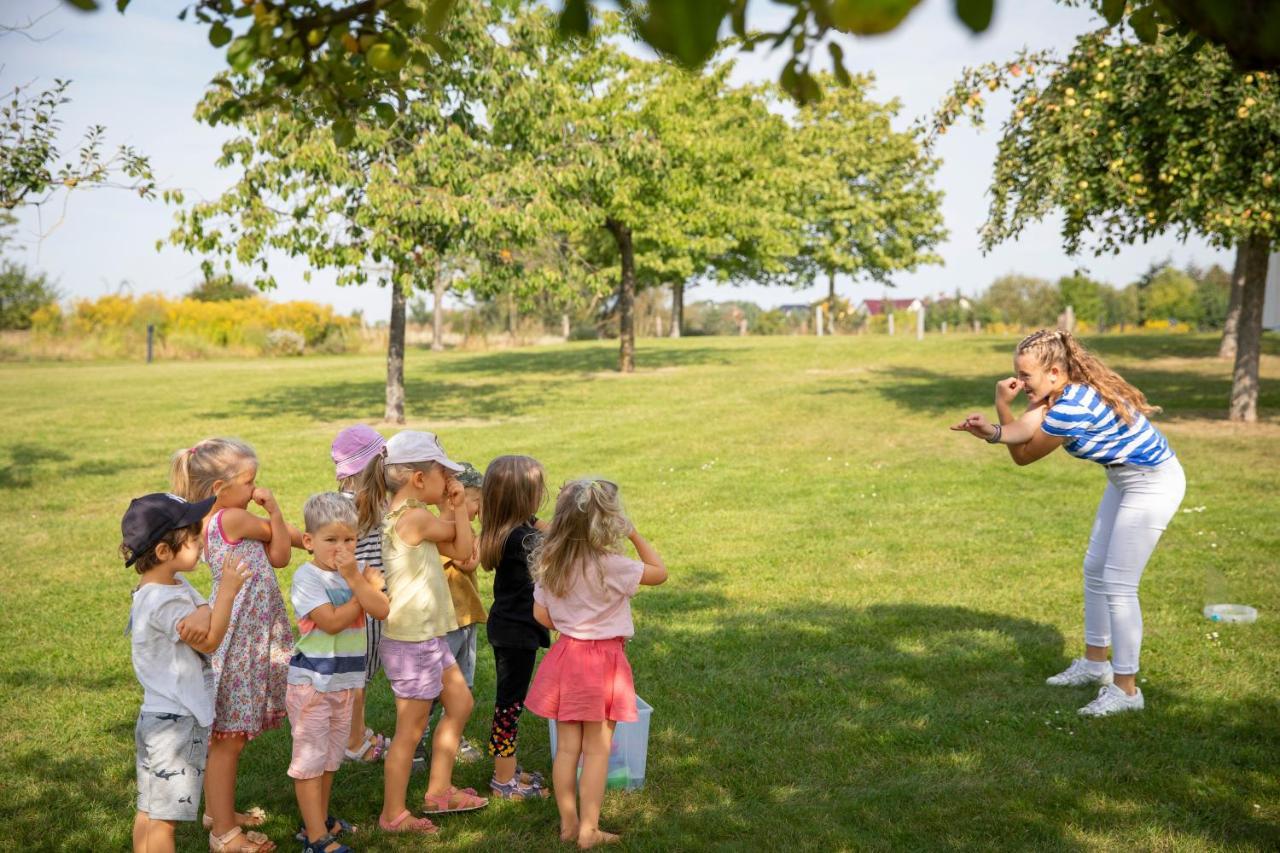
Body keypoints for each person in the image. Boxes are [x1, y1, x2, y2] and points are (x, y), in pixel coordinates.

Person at [952, 329, 1186, 717]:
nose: (1019, 382)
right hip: (1125, 477)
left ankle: (1126, 691)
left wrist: (1000, 408)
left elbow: (1024, 455)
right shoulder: (1059, 396)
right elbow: (1021, 432)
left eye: (1026, 376)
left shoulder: (1073, 406)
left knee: (1118, 583)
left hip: (1152, 482)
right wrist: (992, 430)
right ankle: (1096, 664)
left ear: (1056, 373)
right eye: (1017, 374)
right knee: (1095, 569)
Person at [525, 478, 667, 848]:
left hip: (566, 657)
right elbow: (659, 572)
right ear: (607, 522)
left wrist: (570, 625)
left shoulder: (551, 562)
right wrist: (634, 534)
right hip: (603, 663)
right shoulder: (613, 565)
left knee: (567, 749)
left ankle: (568, 824)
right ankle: (589, 830)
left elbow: (540, 614)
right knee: (598, 749)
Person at [170, 438, 293, 852]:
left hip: (242, 636)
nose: (256, 488)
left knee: (228, 736)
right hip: (243, 640)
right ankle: (225, 834)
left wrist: (306, 537)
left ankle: (216, 811)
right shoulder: (234, 519)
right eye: (250, 482)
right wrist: (276, 511)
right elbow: (279, 553)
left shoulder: (210, 521)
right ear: (220, 487)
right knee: (229, 739)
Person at [367, 431, 488, 834]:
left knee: (461, 704)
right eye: (444, 474)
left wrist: (452, 509)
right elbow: (461, 545)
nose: (451, 481)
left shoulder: (414, 511)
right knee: (409, 731)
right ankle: (392, 815)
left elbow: (459, 552)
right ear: (419, 479)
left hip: (427, 637)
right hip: (412, 641)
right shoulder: (414, 517)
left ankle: (439, 790)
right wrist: (455, 507)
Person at [122, 492, 250, 853]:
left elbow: (202, 613)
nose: (199, 543)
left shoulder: (165, 587)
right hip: (177, 724)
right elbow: (209, 640)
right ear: (163, 551)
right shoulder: (166, 601)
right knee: (164, 820)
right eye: (192, 538)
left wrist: (207, 609)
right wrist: (225, 594)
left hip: (157, 718)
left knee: (150, 810)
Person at [287, 493, 390, 853]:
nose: (341, 548)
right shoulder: (307, 576)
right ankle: (316, 840)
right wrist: (360, 587)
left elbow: (382, 609)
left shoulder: (355, 574)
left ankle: (317, 820)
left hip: (345, 683)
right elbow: (330, 623)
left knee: (330, 759)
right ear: (309, 541)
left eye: (349, 540)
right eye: (331, 540)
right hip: (313, 684)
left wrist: (357, 581)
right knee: (309, 762)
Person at [478, 455, 552, 800]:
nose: (543, 494)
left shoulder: (511, 530)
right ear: (523, 497)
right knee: (509, 705)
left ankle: (508, 769)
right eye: (538, 490)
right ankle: (502, 781)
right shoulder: (523, 540)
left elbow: (545, 529)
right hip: (516, 633)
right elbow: (560, 548)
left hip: (510, 628)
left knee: (511, 702)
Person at [329, 425, 390, 765]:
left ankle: (358, 730)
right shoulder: (357, 506)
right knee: (356, 677)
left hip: (361, 597)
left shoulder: (357, 502)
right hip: (360, 599)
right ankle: (353, 741)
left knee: (359, 674)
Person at [431, 462, 487, 766]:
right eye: (476, 501)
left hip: (466, 618)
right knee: (434, 685)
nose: (479, 510)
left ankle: (454, 736)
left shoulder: (465, 530)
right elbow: (464, 559)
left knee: (464, 683)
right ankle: (420, 736)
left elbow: (471, 562)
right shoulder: (436, 530)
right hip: (444, 623)